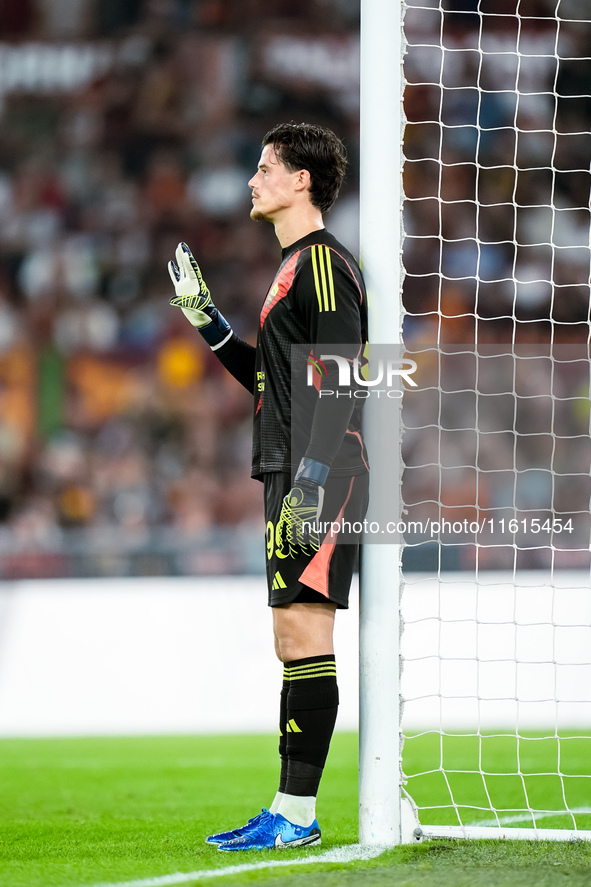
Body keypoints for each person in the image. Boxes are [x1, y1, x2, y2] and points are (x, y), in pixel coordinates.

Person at [168, 122, 369, 851]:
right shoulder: (292, 268)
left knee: (306, 633)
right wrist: (209, 323)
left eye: (263, 168)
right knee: (292, 639)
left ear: (299, 181)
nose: (251, 181)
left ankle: (296, 815)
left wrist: (312, 479)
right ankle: (289, 808)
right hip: (292, 467)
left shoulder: (321, 264)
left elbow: (345, 370)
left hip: (322, 471)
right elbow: (271, 378)